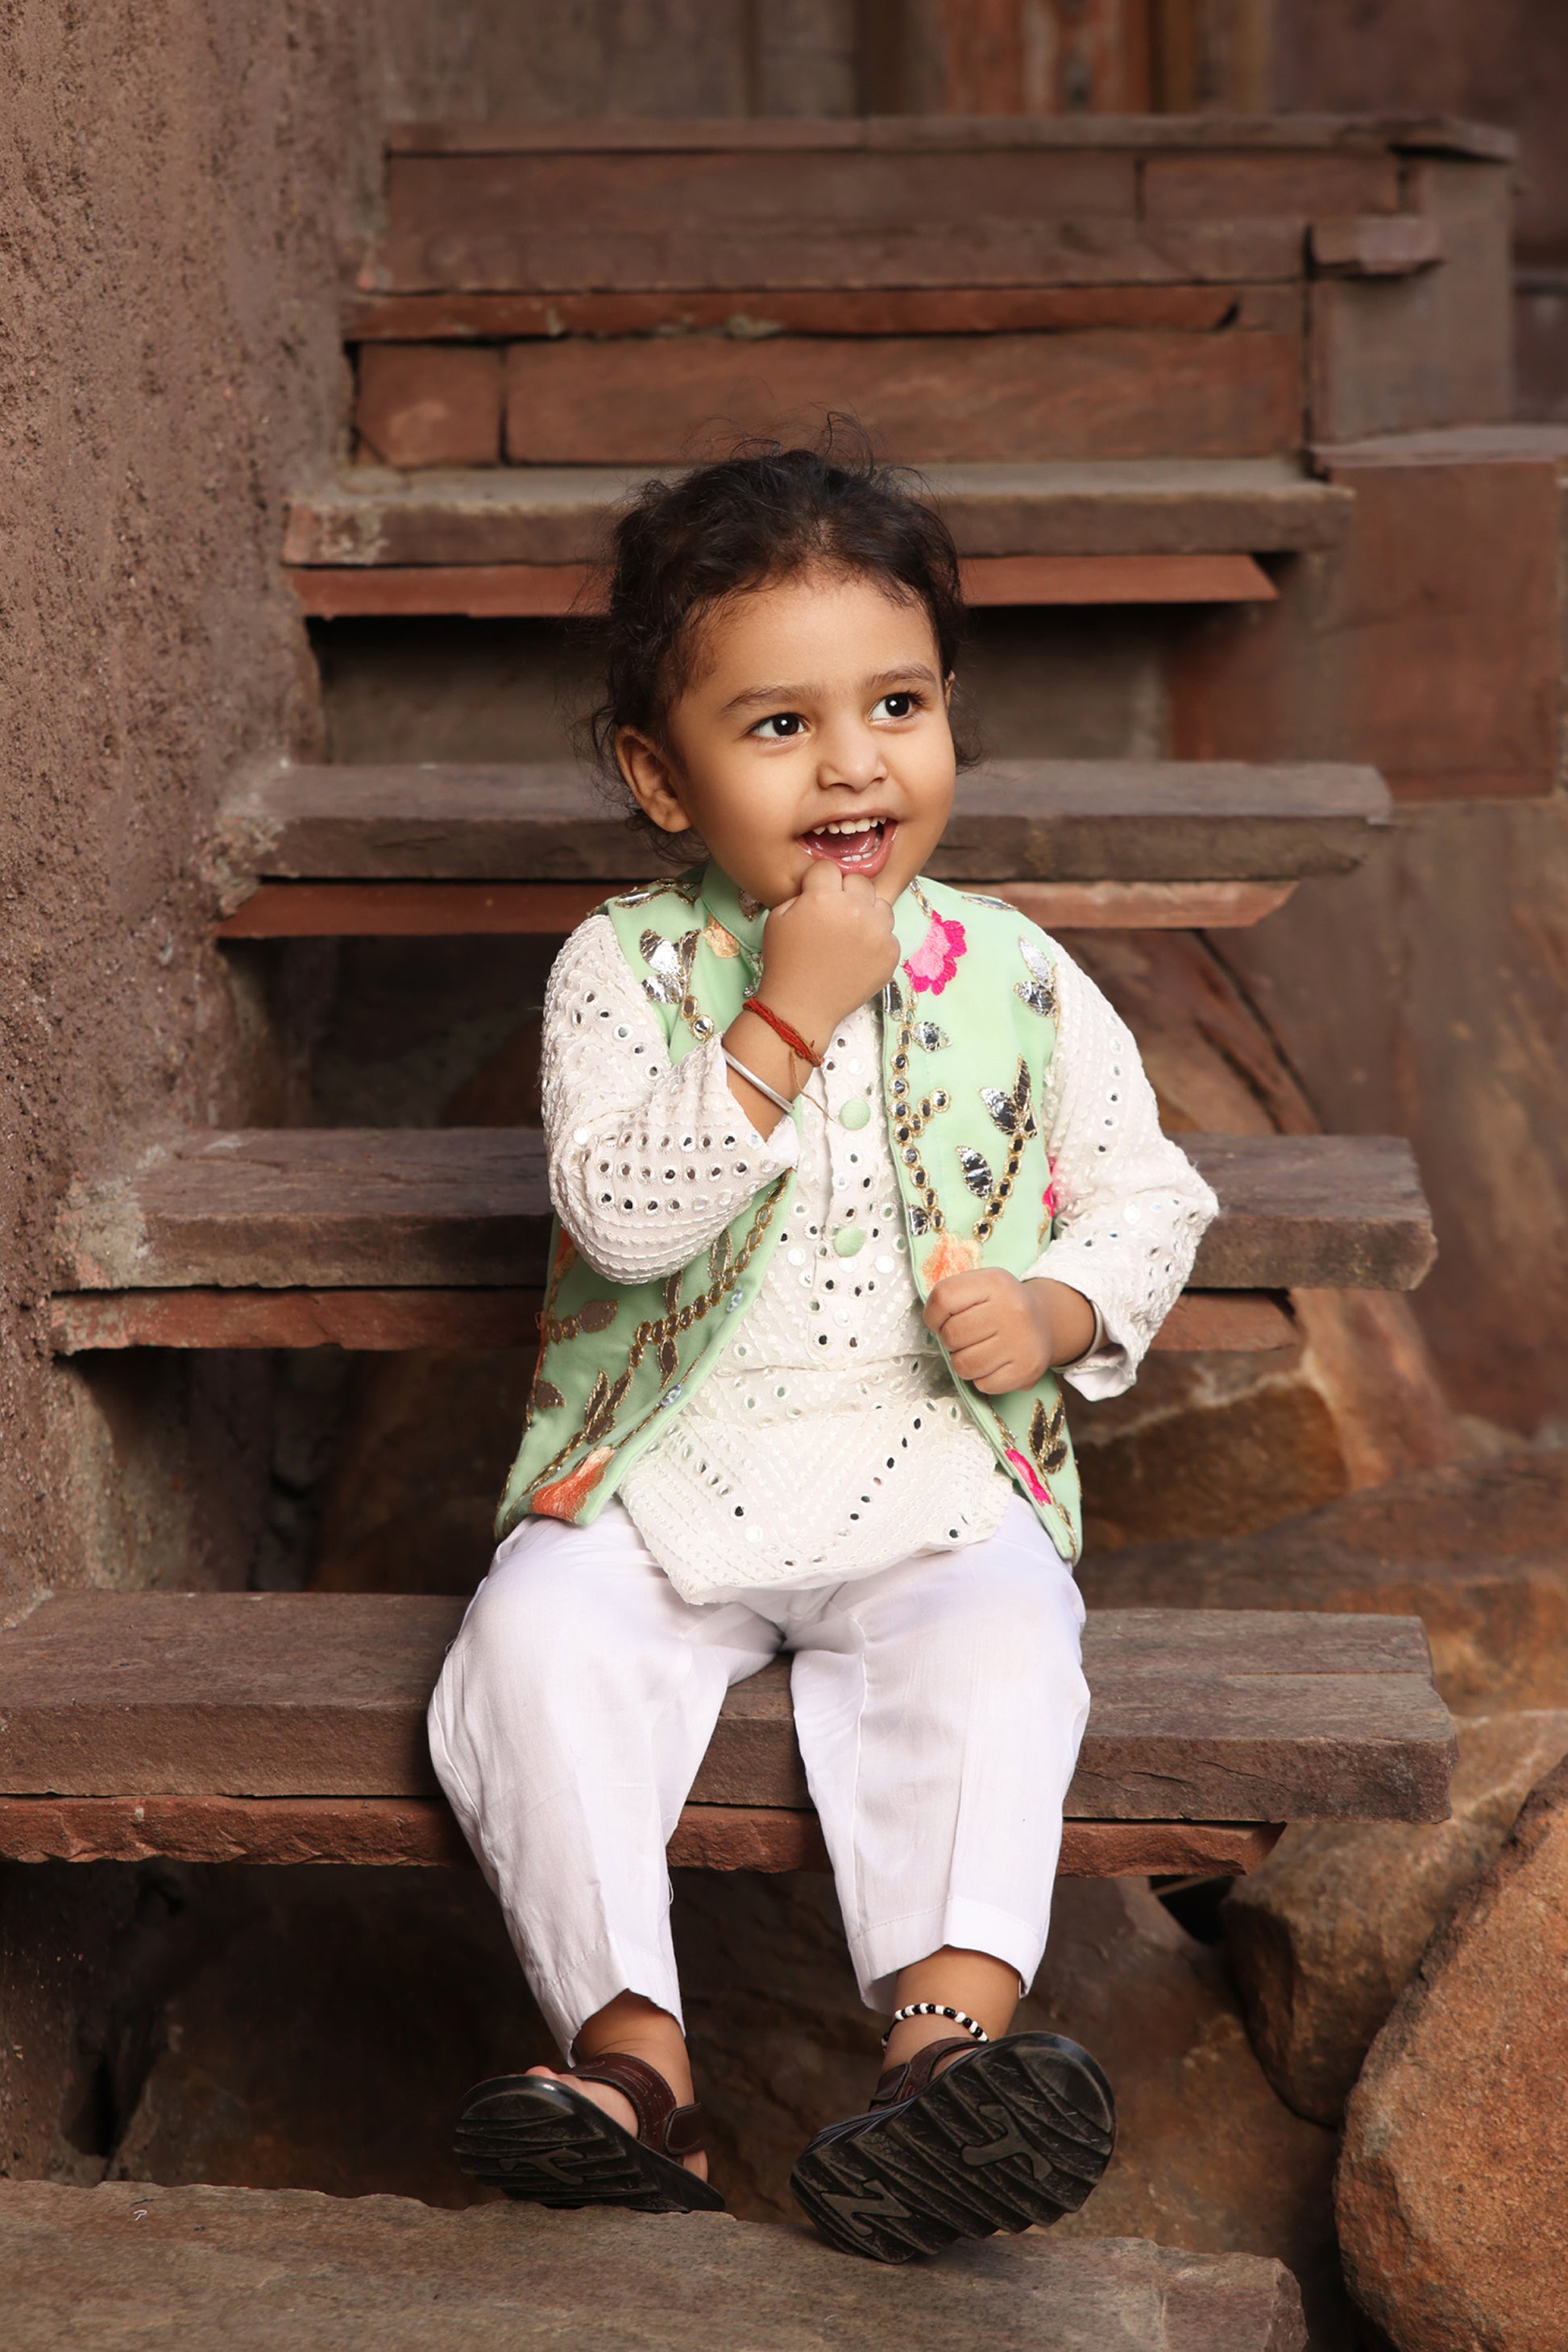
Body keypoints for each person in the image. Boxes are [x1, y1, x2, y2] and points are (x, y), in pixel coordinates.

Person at [427, 438, 1217, 2264]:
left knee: (1001, 1645)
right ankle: (634, 2068)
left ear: (948, 715)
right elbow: (622, 1219)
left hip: (929, 1463)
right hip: (663, 1467)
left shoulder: (1014, 970)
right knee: (527, 1646)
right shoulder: (622, 970)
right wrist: (785, 1014)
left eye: (897, 704)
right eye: (779, 724)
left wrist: (1059, 1308)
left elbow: (1147, 1194)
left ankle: (942, 2062)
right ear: (660, 773)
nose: (855, 762)